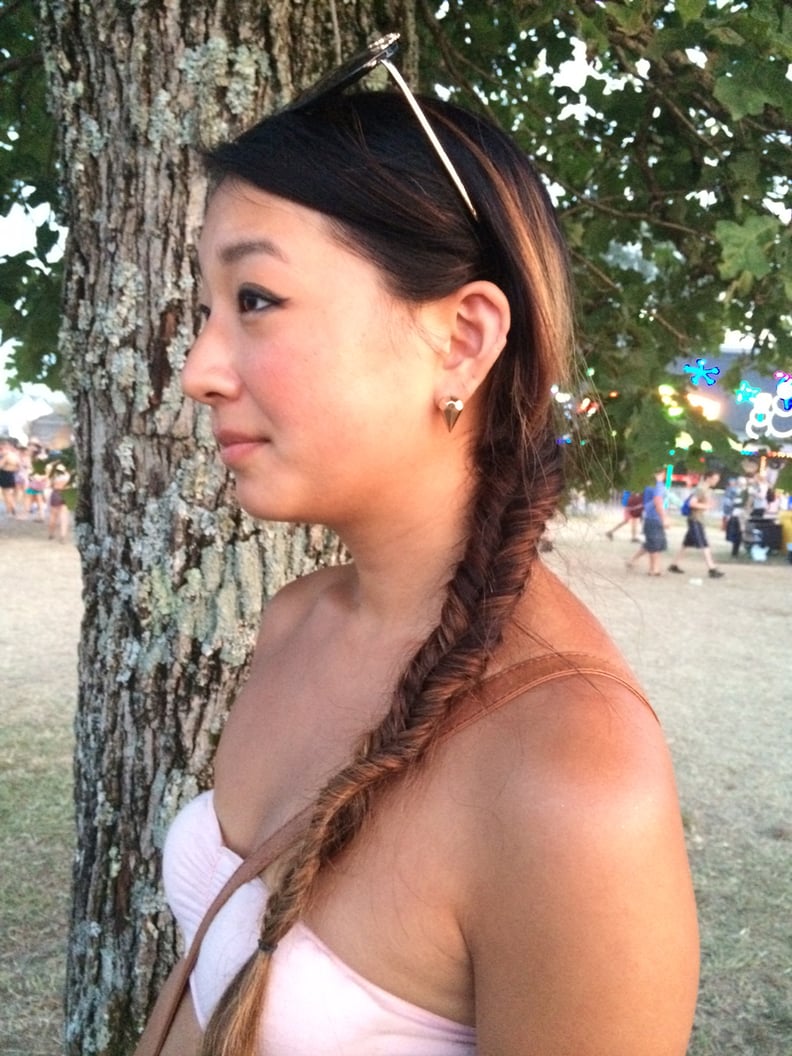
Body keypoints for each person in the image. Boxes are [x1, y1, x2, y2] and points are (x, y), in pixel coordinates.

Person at [156, 34, 698, 1056]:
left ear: (461, 339)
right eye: (208, 309)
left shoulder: (576, 773)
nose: (200, 369)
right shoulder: (298, 622)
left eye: (256, 300)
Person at [669, 470, 724, 578]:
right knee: (704, 544)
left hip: (696, 519)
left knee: (686, 544)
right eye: (715, 479)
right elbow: (692, 503)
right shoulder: (701, 489)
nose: (716, 481)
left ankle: (674, 564)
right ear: (708, 478)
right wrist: (707, 506)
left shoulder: (705, 489)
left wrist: (707, 504)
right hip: (695, 519)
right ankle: (711, 568)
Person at [627, 467, 669, 575]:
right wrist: (664, 518)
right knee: (655, 545)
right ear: (663, 473)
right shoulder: (658, 485)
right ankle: (654, 569)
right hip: (654, 518)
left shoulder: (649, 485)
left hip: (648, 517)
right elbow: (658, 502)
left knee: (651, 543)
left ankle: (648, 567)